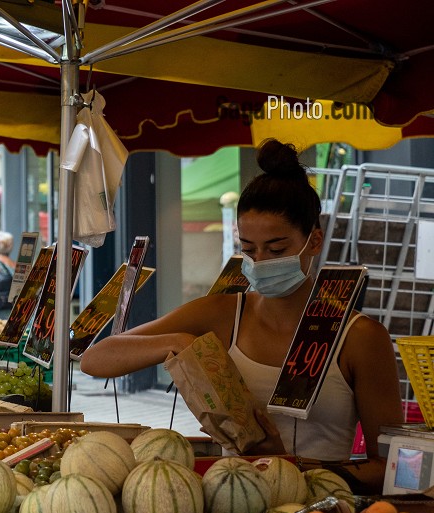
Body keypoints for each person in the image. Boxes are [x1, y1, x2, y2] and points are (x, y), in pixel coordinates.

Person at [80, 139, 401, 492]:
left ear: (314, 240)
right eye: (248, 249)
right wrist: (179, 343)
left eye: (277, 249)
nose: (260, 261)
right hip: (229, 501)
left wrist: (290, 468)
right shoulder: (220, 314)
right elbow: (96, 360)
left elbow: (390, 465)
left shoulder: (360, 337)